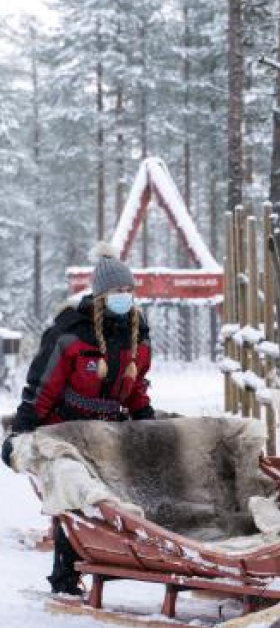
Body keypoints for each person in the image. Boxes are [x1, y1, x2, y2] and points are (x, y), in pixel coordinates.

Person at [2, 244, 155, 594]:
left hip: (107, 432)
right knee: (75, 494)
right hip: (65, 430)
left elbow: (135, 386)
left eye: (129, 291)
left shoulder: (137, 335)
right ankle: (65, 577)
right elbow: (43, 384)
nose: (125, 297)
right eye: (118, 291)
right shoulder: (71, 333)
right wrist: (24, 427)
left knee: (114, 495)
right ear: (102, 295)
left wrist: (145, 416)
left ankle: (123, 556)